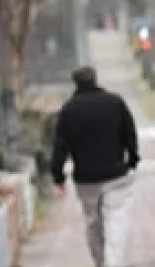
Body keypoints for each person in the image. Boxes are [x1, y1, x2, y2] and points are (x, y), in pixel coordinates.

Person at [51, 66, 140, 267]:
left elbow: (60, 146)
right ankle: (113, 262)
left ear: (76, 83)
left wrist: (58, 176)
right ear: (95, 79)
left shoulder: (69, 110)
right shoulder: (114, 103)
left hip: (86, 179)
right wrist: (132, 159)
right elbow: (129, 132)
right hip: (116, 175)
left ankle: (101, 262)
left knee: (93, 223)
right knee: (115, 220)